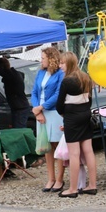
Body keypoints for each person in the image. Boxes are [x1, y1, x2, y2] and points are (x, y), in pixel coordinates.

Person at [56, 51, 97, 198]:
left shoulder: (67, 81)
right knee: (88, 150)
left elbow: (59, 105)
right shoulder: (86, 77)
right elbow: (90, 100)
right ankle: (92, 185)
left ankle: (73, 189)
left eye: (62, 63)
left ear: (69, 63)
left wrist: (65, 115)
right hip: (85, 115)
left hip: (72, 118)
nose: (60, 66)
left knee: (74, 154)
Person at [31, 47, 65, 192]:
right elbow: (34, 92)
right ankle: (50, 178)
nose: (41, 60)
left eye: (43, 57)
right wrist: (36, 110)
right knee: (47, 147)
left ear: (51, 58)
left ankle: (60, 179)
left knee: (58, 147)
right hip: (41, 113)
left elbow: (58, 94)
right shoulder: (40, 73)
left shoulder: (60, 74)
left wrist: (42, 107)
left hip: (54, 112)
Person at [0, 52, 32, 128]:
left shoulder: (10, 75)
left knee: (19, 130)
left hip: (20, 108)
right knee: (17, 128)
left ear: (1, 68)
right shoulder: (16, 74)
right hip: (18, 106)